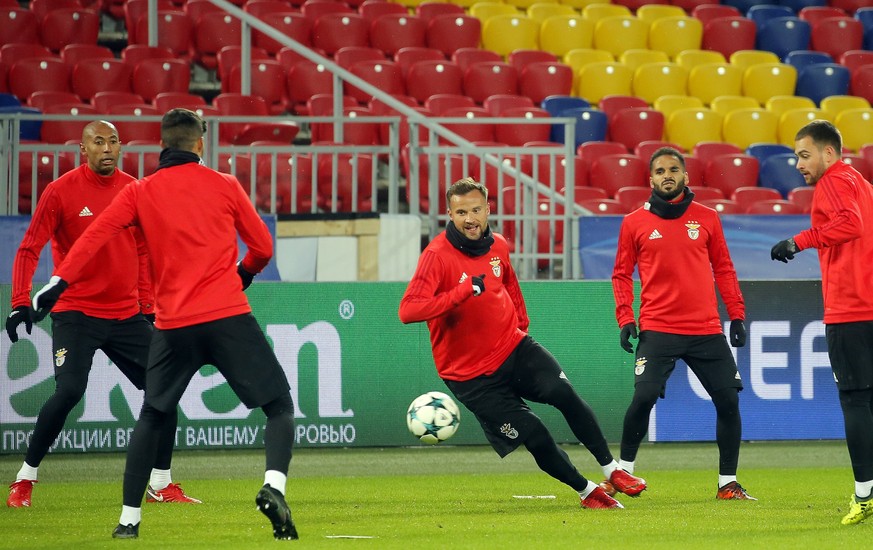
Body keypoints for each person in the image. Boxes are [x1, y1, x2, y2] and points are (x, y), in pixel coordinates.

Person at [28, 109, 298, 540]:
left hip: (173, 324)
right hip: (227, 313)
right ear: (199, 144)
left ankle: (128, 522)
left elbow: (95, 234)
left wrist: (58, 281)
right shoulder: (225, 185)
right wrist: (243, 274)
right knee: (279, 407)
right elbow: (263, 246)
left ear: (162, 146)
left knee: (153, 413)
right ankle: (273, 486)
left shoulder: (140, 192)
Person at [398, 177, 646, 510]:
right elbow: (408, 310)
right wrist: (459, 293)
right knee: (535, 433)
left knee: (565, 394)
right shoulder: (436, 256)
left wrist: (521, 325)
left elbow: (508, 285)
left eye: (475, 210)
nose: (469, 219)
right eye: (460, 212)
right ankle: (588, 491)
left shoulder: (498, 244)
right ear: (449, 214)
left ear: (488, 209)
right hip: (471, 376)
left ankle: (612, 470)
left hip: (513, 348)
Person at [5, 120, 199, 508]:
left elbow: (144, 249)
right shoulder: (60, 191)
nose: (107, 148)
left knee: (164, 390)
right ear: (83, 149)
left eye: (113, 141)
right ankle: (24, 479)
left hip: (126, 315)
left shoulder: (134, 190)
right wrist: (19, 301)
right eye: (98, 142)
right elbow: (30, 248)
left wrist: (147, 306)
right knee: (70, 390)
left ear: (121, 147)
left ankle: (161, 483)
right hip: (76, 313)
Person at [612, 147, 755, 501]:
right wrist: (625, 318)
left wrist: (736, 314)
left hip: (705, 329)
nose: (667, 175)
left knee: (728, 401)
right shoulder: (634, 222)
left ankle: (727, 483)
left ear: (685, 176)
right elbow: (620, 274)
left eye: (673, 169)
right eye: (659, 170)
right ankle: (622, 474)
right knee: (643, 396)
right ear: (651, 179)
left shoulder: (707, 217)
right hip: (658, 327)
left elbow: (723, 267)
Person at [770, 120, 873, 525]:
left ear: (829, 153)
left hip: (850, 311)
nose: (798, 163)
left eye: (804, 154)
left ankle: (864, 495)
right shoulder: (861, 182)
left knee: (856, 402)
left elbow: (852, 225)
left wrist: (799, 241)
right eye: (797, 155)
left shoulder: (832, 183)